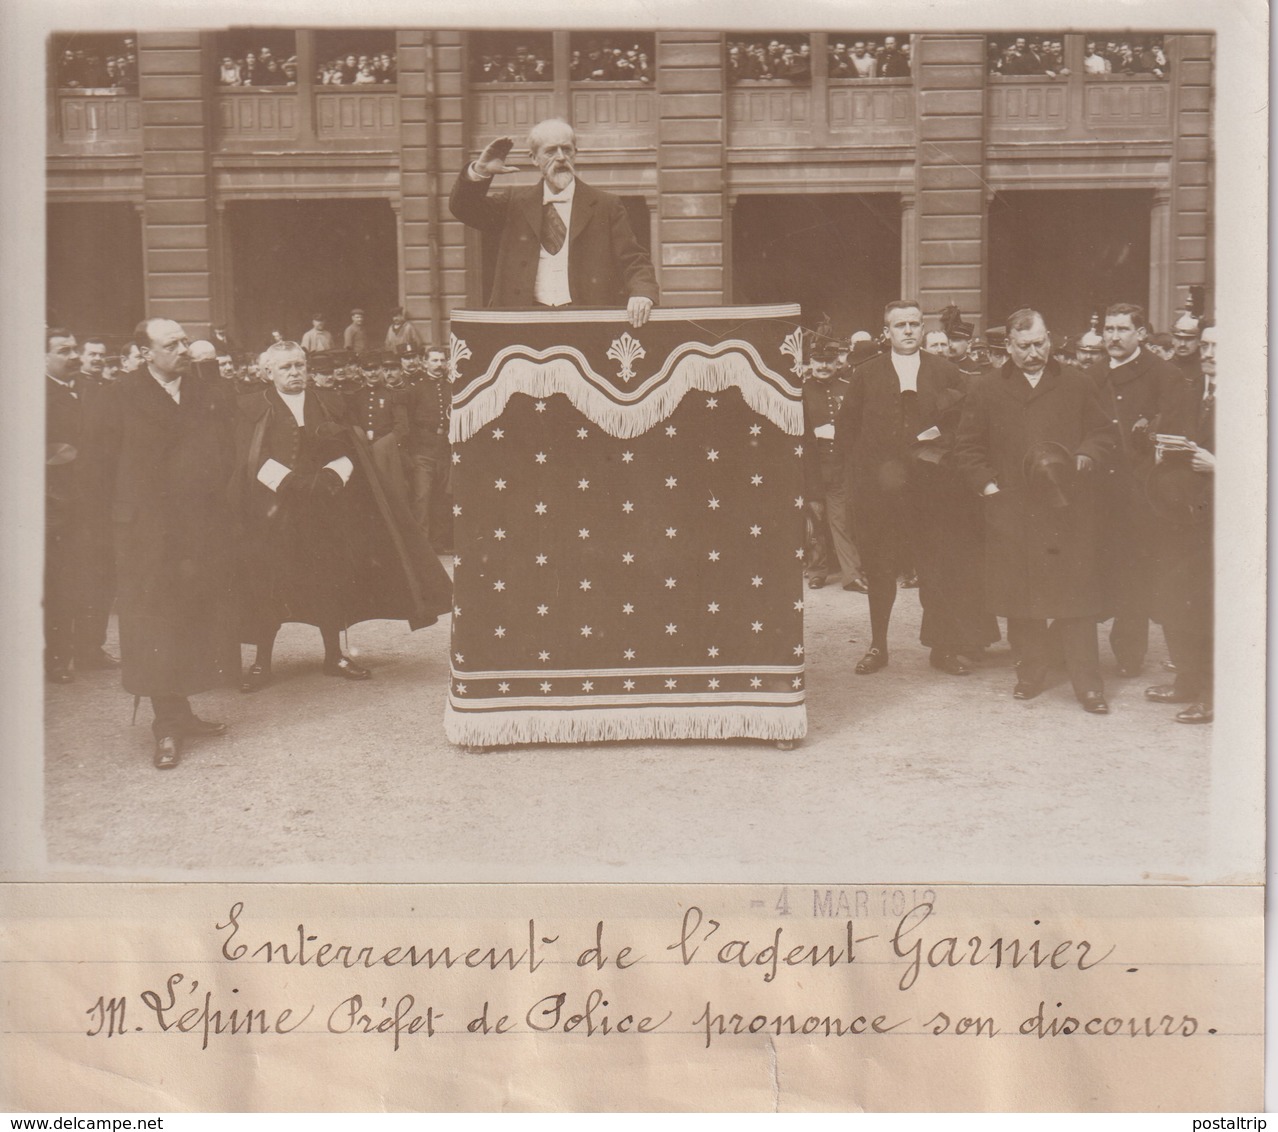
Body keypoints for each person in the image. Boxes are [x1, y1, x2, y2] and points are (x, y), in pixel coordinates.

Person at [232, 341, 451, 693]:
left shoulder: (328, 402)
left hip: (324, 506)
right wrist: (288, 482)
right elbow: (250, 458)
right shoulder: (252, 407)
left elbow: (353, 448)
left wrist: (333, 476)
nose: (294, 373)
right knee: (269, 583)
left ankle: (334, 655)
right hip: (275, 510)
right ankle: (262, 662)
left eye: (299, 366)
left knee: (329, 578)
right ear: (267, 372)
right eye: (286, 367)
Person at [954, 308, 1117, 714]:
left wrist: (1084, 457)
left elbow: (1102, 433)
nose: (1034, 353)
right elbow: (967, 448)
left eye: (1040, 343)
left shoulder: (1077, 384)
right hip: (1014, 511)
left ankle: (1088, 685)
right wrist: (989, 487)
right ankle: (1030, 673)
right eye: (1024, 346)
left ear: (1051, 340)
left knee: (1076, 598)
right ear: (1008, 346)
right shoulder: (986, 389)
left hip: (1069, 508)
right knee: (1021, 599)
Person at [100, 318, 240, 768]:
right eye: (172, 344)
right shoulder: (117, 396)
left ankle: (182, 713)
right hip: (146, 535)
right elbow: (97, 471)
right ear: (145, 353)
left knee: (191, 618)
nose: (184, 349)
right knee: (155, 625)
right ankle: (166, 727)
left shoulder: (203, 391)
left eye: (184, 341)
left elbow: (225, 451)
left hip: (197, 529)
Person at [835, 300, 991, 677]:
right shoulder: (865, 375)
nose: (907, 330)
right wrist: (858, 482)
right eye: (899, 324)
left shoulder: (947, 372)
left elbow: (965, 425)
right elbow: (847, 434)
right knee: (881, 568)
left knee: (937, 569)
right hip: (880, 493)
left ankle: (942, 648)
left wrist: (939, 448)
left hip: (933, 491)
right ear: (886, 331)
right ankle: (878, 646)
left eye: (914, 324)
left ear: (923, 329)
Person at [449, 118, 658, 327]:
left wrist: (642, 293)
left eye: (567, 149)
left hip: (585, 322)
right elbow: (464, 209)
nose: (560, 158)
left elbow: (634, 259)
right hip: (523, 322)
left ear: (576, 153)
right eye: (550, 151)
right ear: (534, 158)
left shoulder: (606, 205)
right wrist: (481, 170)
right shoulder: (514, 202)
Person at [1094, 303, 1184, 677]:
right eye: (1109, 329)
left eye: (1122, 330)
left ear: (1141, 334)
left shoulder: (1164, 375)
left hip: (1141, 492)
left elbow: (1175, 432)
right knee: (1094, 565)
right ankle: (1069, 649)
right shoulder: (1093, 373)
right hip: (1099, 488)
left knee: (1134, 572)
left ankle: (1129, 654)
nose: (1114, 337)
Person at [1145, 324, 1214, 724]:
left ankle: (1211, 693)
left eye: (1216, 346)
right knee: (1177, 598)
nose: (1208, 352)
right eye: (1204, 345)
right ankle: (1187, 681)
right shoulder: (1189, 391)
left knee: (1208, 607)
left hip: (1225, 520)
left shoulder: (1255, 392)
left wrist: (1221, 466)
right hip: (1183, 516)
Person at [44, 328, 119, 683]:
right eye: (64, 351)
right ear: (44, 357)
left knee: (99, 575)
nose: (73, 356)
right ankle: (57, 658)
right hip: (59, 507)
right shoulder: (34, 395)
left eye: (75, 350)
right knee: (61, 584)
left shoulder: (91, 390)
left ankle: (90, 649)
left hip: (97, 503)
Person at [801, 341, 867, 593]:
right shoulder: (799, 391)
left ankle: (852, 574)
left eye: (829, 360)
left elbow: (859, 425)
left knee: (842, 520)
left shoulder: (848, 389)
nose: (824, 366)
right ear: (810, 362)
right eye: (818, 360)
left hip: (840, 465)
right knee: (815, 518)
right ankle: (817, 571)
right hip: (812, 466)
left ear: (838, 362)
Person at [404, 345, 454, 552]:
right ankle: (422, 547)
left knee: (443, 496)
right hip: (423, 450)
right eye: (434, 360)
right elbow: (408, 421)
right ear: (424, 363)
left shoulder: (452, 387)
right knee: (422, 497)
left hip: (445, 449)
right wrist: (414, 450)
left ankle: (439, 543)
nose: (439, 365)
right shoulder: (416, 389)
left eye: (442, 360)